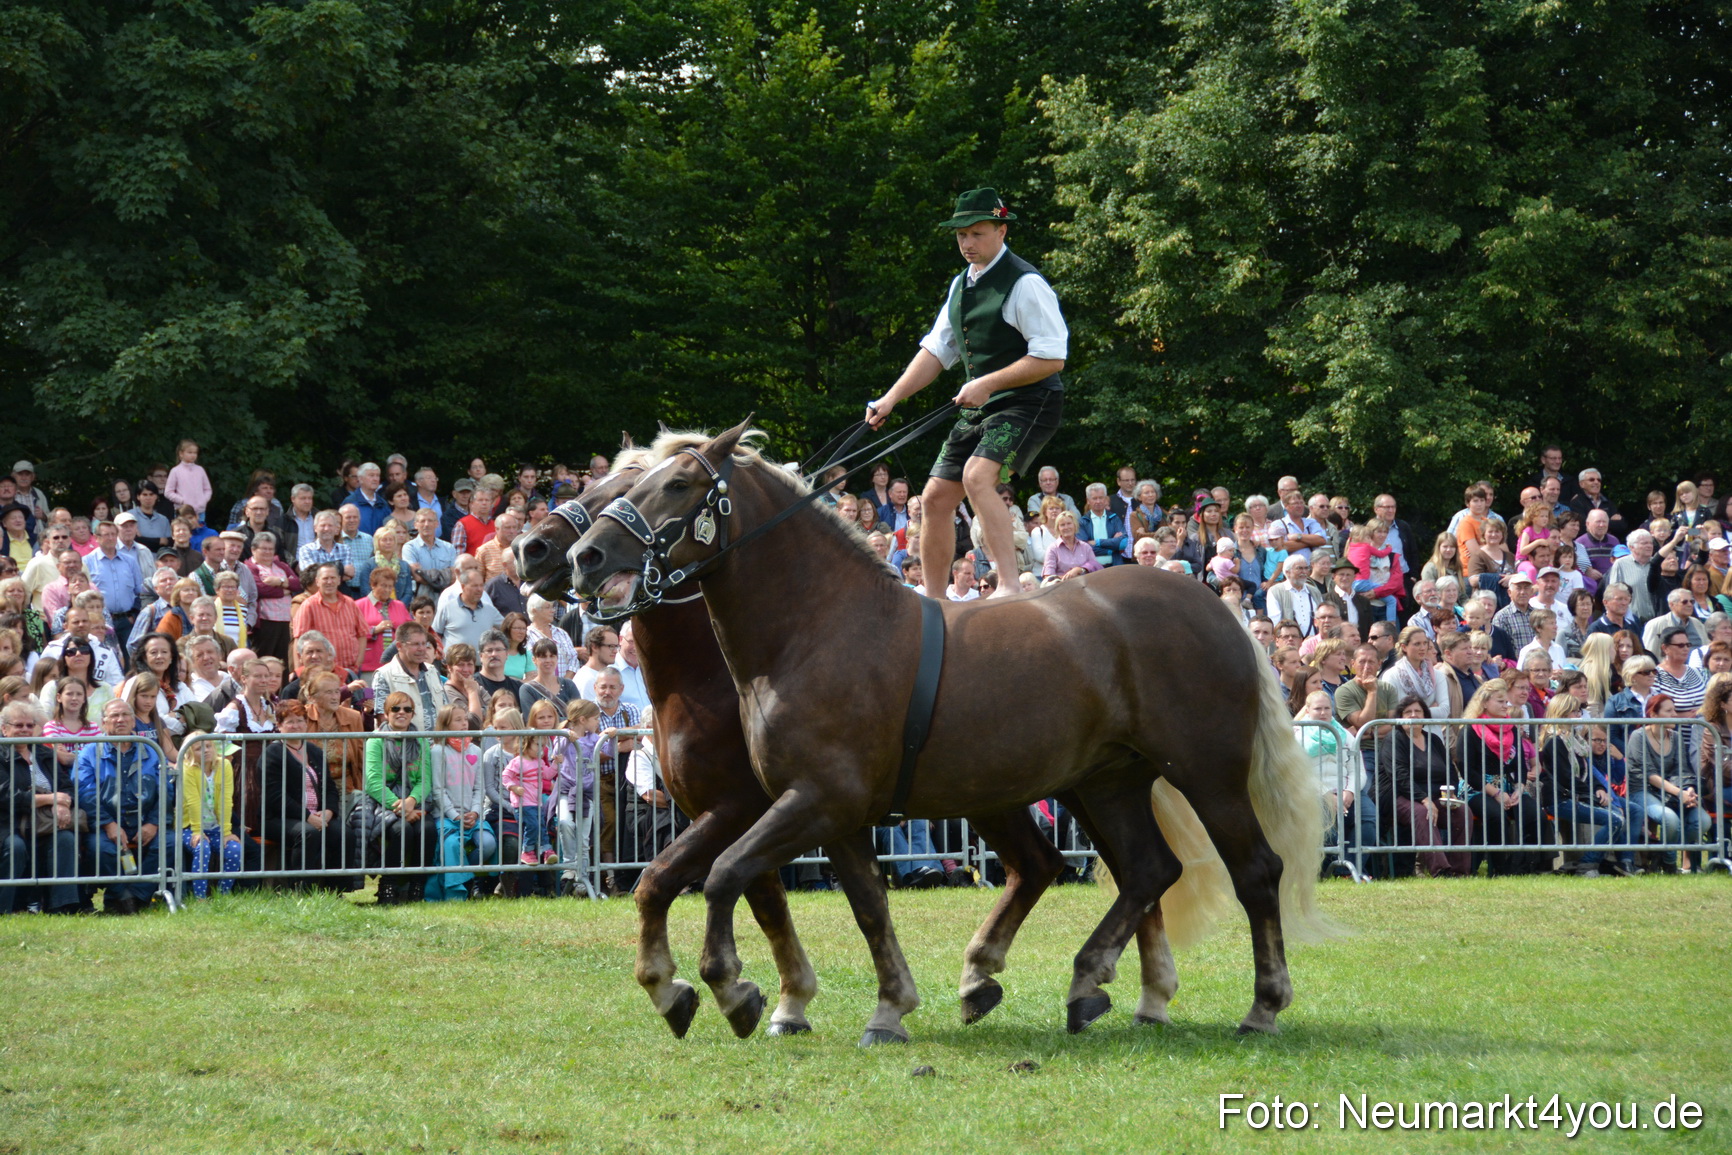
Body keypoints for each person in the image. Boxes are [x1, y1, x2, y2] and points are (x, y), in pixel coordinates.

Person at [866, 188, 1068, 599]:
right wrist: (890, 399)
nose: (967, 243)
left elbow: (1052, 358)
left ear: (1001, 230)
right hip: (982, 405)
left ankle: (1009, 585)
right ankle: (936, 600)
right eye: (961, 236)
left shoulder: (1025, 283)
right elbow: (937, 352)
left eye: (977, 234)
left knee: (977, 477)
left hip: (1032, 400)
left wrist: (988, 383)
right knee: (936, 496)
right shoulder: (961, 285)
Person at [76, 698, 169, 914]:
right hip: (104, 825)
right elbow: (85, 793)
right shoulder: (90, 752)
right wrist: (108, 824)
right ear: (103, 723)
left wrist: (154, 823)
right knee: (102, 849)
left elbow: (165, 790)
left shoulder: (151, 750)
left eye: (125, 715)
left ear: (133, 721)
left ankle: (135, 897)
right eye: (114, 716)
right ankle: (121, 896)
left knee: (169, 844)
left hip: (144, 822)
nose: (120, 720)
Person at [1457, 679, 1548, 876]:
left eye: (1506, 702)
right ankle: (1500, 869)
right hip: (1477, 788)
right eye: (1500, 701)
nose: (1505, 706)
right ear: (1484, 703)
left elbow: (1520, 766)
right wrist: (1496, 793)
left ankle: (1530, 867)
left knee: (1534, 813)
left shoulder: (1512, 729)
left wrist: (1519, 788)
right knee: (1496, 815)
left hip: (1507, 787)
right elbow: (1468, 770)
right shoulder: (1469, 730)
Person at [1535, 695, 1634, 877]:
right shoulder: (1555, 741)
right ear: (1562, 713)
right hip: (1560, 799)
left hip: (1575, 795)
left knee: (1619, 815)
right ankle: (1588, 864)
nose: (1579, 715)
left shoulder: (1573, 740)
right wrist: (1594, 794)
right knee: (1615, 820)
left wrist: (1600, 788)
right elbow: (1565, 778)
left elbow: (1587, 770)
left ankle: (1595, 863)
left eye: (1578, 710)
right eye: (1574, 711)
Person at [0, 700, 82, 915]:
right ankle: (6, 908)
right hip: (9, 824)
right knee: (15, 846)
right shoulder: (1, 755)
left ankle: (62, 907)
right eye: (18, 725)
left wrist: (64, 803)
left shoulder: (43, 753)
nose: (25, 730)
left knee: (65, 838)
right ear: (4, 729)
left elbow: (67, 787)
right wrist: (50, 799)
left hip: (44, 823)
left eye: (30, 725)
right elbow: (7, 797)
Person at [1377, 695, 1470, 877]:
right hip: (1399, 795)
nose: (1413, 716)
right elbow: (1399, 776)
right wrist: (1424, 799)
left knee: (1462, 812)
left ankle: (1460, 871)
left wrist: (1450, 795)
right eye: (1407, 712)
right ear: (1400, 717)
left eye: (1417, 711)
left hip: (1435, 796)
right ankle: (1441, 870)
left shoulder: (1434, 740)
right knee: (1423, 813)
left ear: (1425, 716)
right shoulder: (1394, 739)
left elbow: (1450, 770)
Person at [361, 691, 439, 904]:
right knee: (400, 830)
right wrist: (400, 807)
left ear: (413, 714)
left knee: (428, 830)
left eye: (407, 709)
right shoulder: (375, 741)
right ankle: (388, 885)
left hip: (414, 802)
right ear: (386, 713)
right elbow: (373, 782)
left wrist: (411, 802)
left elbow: (425, 779)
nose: (401, 713)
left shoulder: (420, 740)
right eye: (396, 709)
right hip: (384, 803)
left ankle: (417, 886)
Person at [1624, 693, 1706, 872]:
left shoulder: (1675, 737)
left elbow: (1682, 769)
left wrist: (1689, 790)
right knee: (1670, 819)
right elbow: (1649, 775)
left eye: (1674, 709)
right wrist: (1680, 793)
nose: (1675, 714)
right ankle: (1669, 863)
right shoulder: (1638, 736)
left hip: (1671, 791)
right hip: (1642, 790)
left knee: (1703, 820)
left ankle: (1659, 855)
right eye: (1669, 710)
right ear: (1653, 715)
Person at [428, 705, 495, 901]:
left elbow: (479, 788)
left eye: (464, 719)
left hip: (472, 815)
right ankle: (457, 888)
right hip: (446, 816)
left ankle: (467, 878)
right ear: (446, 724)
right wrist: (455, 816)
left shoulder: (475, 750)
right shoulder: (438, 751)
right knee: (451, 844)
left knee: (488, 844)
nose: (464, 723)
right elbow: (438, 790)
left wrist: (474, 813)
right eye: (458, 719)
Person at [175, 731, 243, 898]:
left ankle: (222, 895)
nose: (205, 750)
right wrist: (197, 831)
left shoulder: (224, 766)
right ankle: (200, 898)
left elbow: (227, 800)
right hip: (190, 826)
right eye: (199, 748)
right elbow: (192, 801)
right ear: (189, 753)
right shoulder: (186, 769)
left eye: (208, 746)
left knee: (235, 850)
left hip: (216, 826)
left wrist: (226, 832)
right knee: (202, 848)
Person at [502, 699, 561, 866]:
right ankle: (527, 851)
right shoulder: (518, 761)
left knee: (542, 826)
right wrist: (513, 787)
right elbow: (505, 776)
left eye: (543, 746)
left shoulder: (539, 762)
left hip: (536, 801)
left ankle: (546, 851)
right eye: (537, 745)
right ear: (526, 743)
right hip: (522, 802)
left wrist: (557, 762)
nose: (541, 749)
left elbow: (549, 775)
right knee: (534, 826)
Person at [291, 563, 368, 677]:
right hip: (321, 672)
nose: (329, 582)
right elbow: (299, 640)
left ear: (339, 580)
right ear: (317, 581)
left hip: (350, 670)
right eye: (325, 578)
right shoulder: (308, 605)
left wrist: (358, 664)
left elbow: (362, 634)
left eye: (333, 578)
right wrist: (299, 671)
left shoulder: (350, 603)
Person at [356, 564, 411, 675]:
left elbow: (410, 630)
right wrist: (373, 630)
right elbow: (351, 633)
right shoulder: (359, 606)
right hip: (369, 667)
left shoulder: (399, 606)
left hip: (397, 666)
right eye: (383, 586)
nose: (387, 590)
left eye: (390, 587)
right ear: (373, 585)